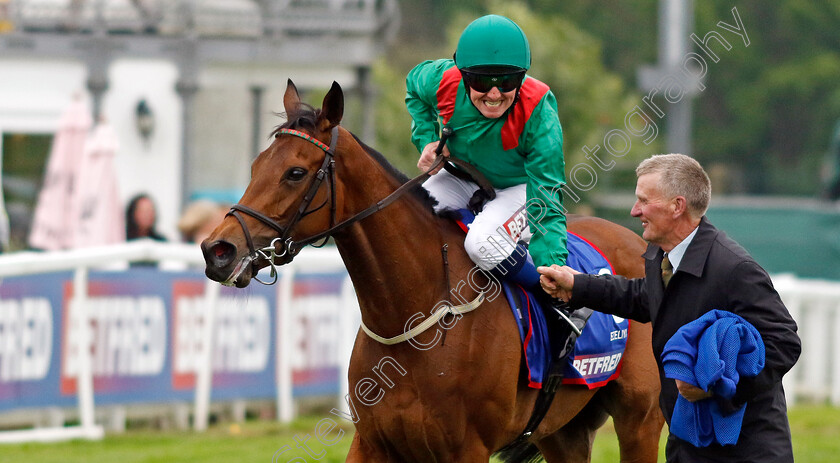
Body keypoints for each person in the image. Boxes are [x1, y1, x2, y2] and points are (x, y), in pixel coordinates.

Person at [538, 154, 801, 462]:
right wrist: (578, 285)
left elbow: (784, 343)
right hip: (688, 442)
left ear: (677, 206)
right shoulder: (660, 257)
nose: (635, 211)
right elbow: (644, 297)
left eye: (644, 201)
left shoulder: (735, 269)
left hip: (745, 449)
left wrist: (714, 385)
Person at [405, 14, 567, 288]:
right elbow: (413, 86)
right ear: (464, 76)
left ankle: (559, 303)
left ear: (522, 77)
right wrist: (427, 140)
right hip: (460, 178)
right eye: (482, 82)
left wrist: (555, 268)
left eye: (506, 82)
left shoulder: (538, 108)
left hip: (517, 189)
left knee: (481, 244)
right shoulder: (442, 80)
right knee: (408, 217)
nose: (494, 94)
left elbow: (547, 198)